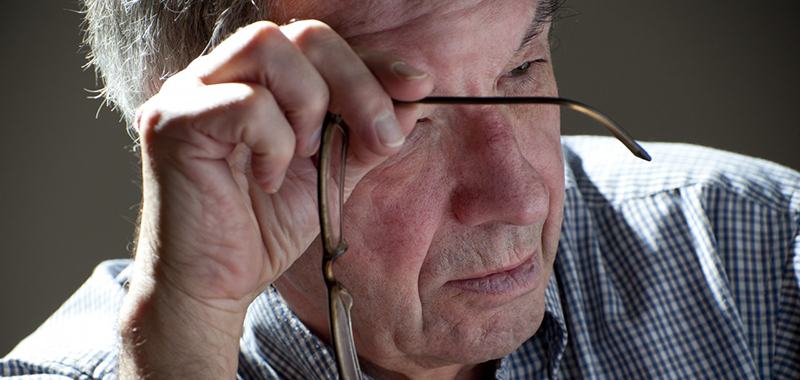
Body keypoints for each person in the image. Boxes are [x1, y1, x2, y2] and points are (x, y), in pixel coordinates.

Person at [2, 0, 799, 379]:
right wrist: (184, 342)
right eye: (401, 121)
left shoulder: (759, 259)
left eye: (521, 69)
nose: (519, 197)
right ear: (223, 139)